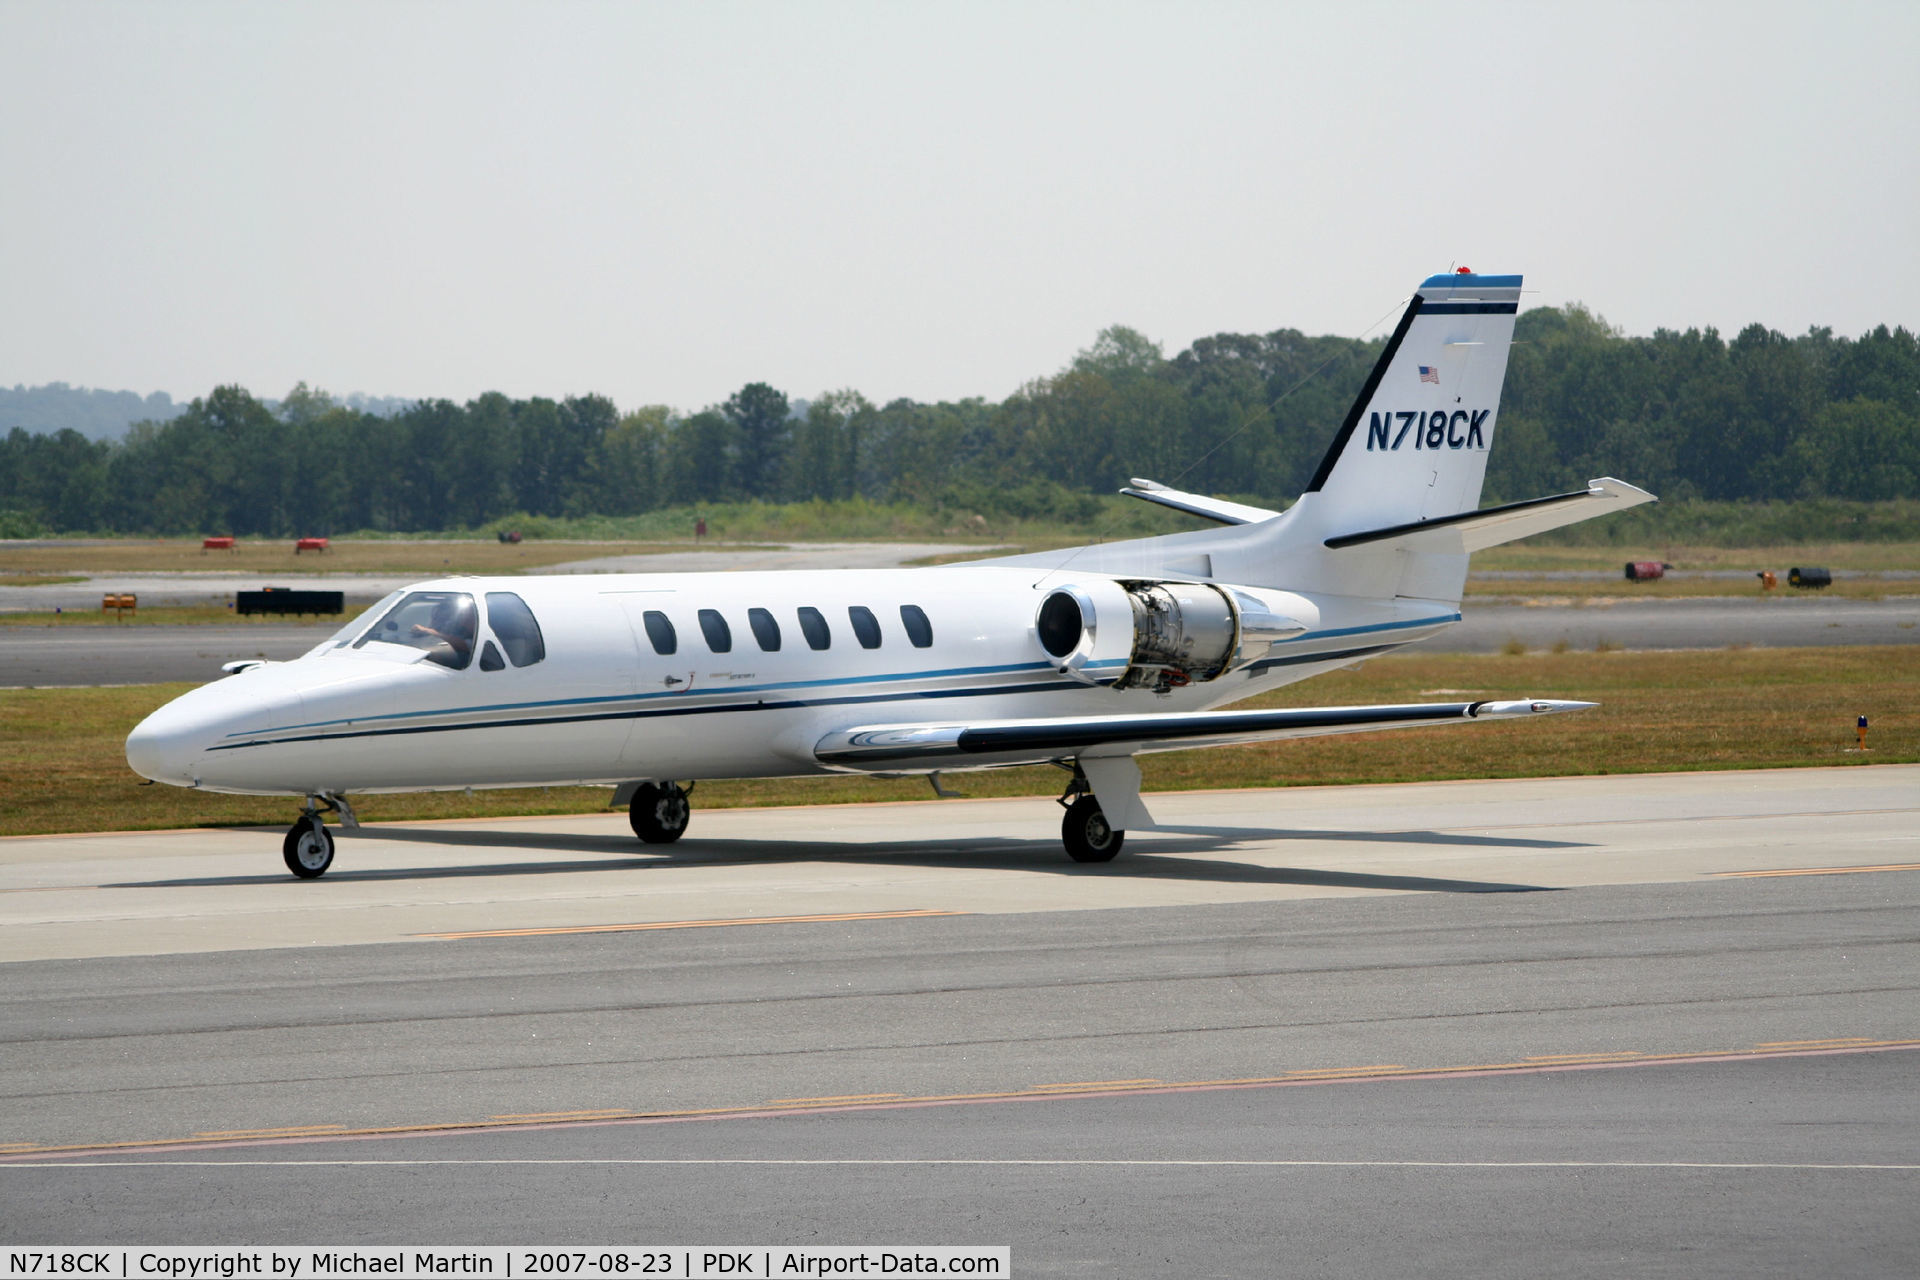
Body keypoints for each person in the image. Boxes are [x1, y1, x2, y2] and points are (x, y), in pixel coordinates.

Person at [411, 596, 475, 666]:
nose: (463, 618)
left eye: (464, 615)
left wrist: (433, 632)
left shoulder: (477, 637)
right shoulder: (451, 626)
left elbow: (464, 645)